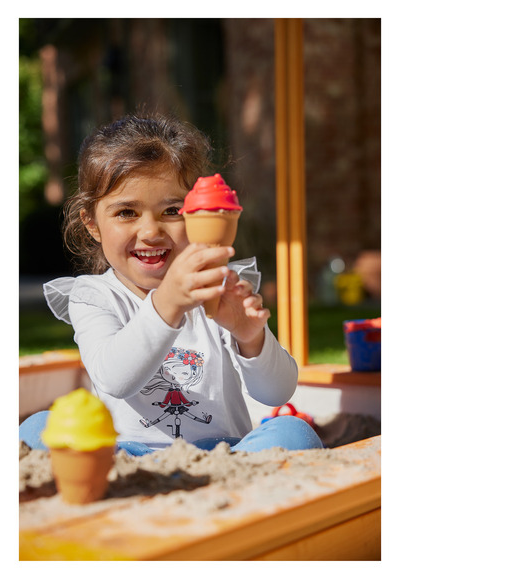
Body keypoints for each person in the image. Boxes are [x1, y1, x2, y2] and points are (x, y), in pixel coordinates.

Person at [19, 113, 322, 456]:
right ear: (92, 224)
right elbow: (115, 379)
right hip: (125, 457)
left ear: (198, 215)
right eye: (126, 213)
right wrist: (168, 303)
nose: (150, 232)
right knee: (37, 428)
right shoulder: (94, 296)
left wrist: (250, 337)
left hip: (223, 455)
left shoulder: (217, 290)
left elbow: (277, 393)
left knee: (294, 432)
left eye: (172, 211)